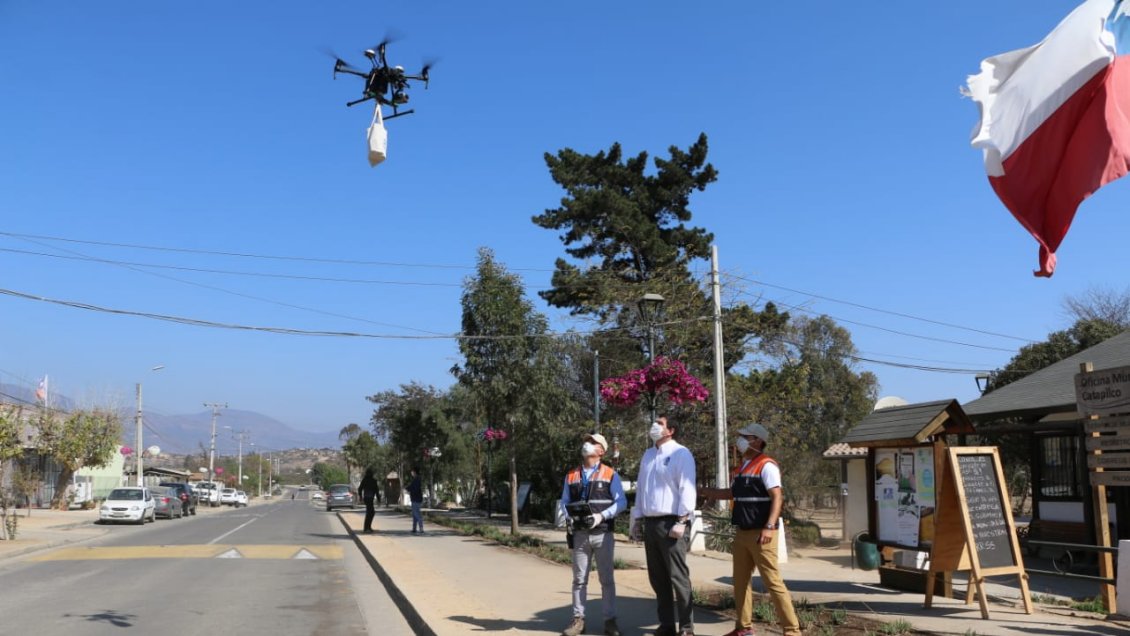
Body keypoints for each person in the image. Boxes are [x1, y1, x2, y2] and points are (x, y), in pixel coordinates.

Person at [701, 423, 800, 636]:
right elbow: (731, 493)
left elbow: (777, 497)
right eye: (741, 436)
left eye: (746, 436)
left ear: (758, 441)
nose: (741, 440)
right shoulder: (742, 467)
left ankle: (792, 631)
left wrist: (770, 526)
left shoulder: (767, 465)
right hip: (742, 533)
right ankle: (743, 628)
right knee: (740, 582)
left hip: (761, 534)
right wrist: (706, 492)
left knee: (773, 582)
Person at [630, 416, 697, 636]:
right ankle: (667, 624)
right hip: (651, 523)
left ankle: (686, 627)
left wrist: (682, 519)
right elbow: (642, 488)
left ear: (671, 430)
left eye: (660, 423)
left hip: (672, 522)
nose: (654, 426)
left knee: (677, 577)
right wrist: (637, 519)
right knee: (658, 578)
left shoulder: (680, 453)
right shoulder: (648, 455)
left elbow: (687, 487)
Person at [559, 433, 627, 636]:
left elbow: (621, 502)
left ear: (601, 451)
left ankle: (610, 621)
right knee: (579, 580)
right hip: (580, 535)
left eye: (593, 442)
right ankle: (578, 620)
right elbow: (564, 501)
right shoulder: (571, 475)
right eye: (587, 441)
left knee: (606, 579)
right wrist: (567, 516)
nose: (587, 444)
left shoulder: (610, 474)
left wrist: (601, 516)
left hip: (603, 533)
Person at [359, 467, 379, 533]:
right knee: (370, 512)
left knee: (370, 512)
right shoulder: (373, 481)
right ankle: (366, 528)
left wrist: (361, 497)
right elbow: (377, 491)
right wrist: (378, 499)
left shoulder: (365, 480)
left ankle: (368, 527)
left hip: (367, 498)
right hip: (369, 498)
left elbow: (360, 489)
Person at [407, 467, 424, 534]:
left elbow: (414, 489)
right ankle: (414, 528)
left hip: (416, 498)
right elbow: (411, 487)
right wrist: (408, 488)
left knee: (416, 513)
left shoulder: (417, 479)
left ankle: (421, 528)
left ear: (414, 472)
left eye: (412, 471)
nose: (411, 473)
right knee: (414, 514)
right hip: (415, 498)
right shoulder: (415, 479)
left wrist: (409, 489)